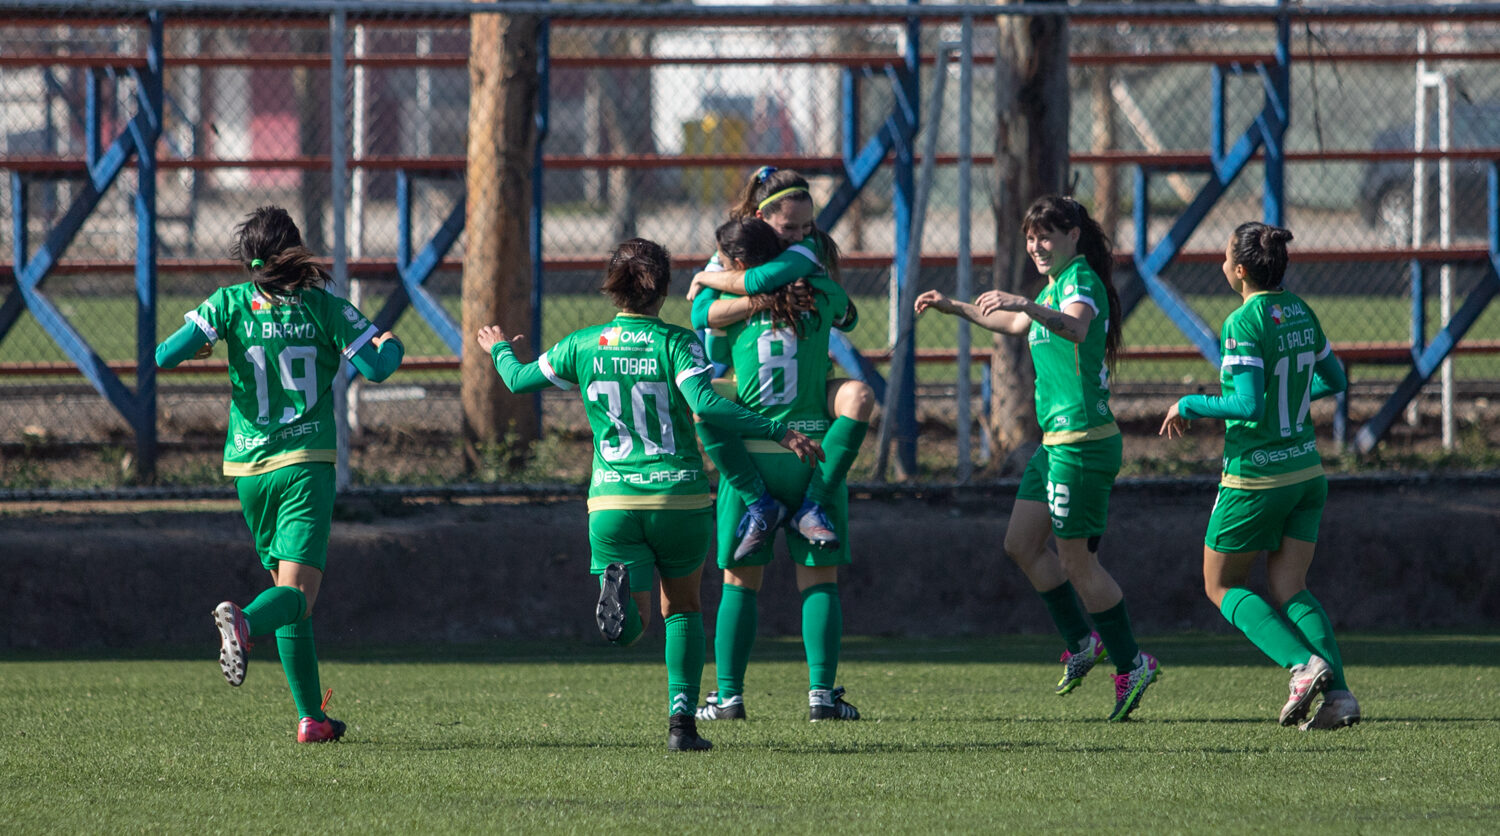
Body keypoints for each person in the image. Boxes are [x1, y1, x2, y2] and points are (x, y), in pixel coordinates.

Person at [476, 237, 822, 751]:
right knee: (682, 608)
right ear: (662, 289)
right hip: (677, 500)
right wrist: (780, 431)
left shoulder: (583, 343)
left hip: (612, 502)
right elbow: (705, 404)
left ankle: (618, 598)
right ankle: (682, 725)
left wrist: (499, 347)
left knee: (633, 629)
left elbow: (519, 380)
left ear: (612, 288)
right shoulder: (679, 343)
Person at [155, 205, 405, 743]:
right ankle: (242, 623)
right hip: (304, 466)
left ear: (250, 260)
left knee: (288, 593)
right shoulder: (322, 306)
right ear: (295, 248)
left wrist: (202, 344)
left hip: (249, 471)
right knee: (299, 596)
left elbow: (163, 354)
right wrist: (392, 344)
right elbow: (379, 369)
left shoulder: (230, 303)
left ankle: (311, 717)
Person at [914, 194, 1159, 722]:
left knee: (1076, 561)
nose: (1036, 245)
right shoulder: (1053, 287)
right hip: (1055, 446)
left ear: (1074, 234)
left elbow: (1073, 326)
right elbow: (1016, 326)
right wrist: (953, 306)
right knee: (1021, 544)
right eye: (1030, 237)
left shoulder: (1083, 283)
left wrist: (1024, 303)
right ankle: (1080, 642)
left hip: (1083, 444)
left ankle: (1131, 662)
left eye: (1046, 235)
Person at [1160, 222, 1357, 730]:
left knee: (1220, 584)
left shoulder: (1242, 322)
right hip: (1306, 471)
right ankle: (1338, 696)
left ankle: (1302, 666)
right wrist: (1289, 405)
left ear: (1241, 269)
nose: (1222, 264)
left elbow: (1245, 404)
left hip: (1256, 477)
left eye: (1226, 257)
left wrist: (1188, 402)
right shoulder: (1300, 311)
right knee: (1292, 584)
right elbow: (1335, 379)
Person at [690, 214, 866, 723]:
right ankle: (822, 697)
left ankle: (728, 698)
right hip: (812, 455)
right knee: (820, 580)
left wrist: (725, 295)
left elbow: (713, 339)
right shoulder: (821, 294)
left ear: (739, 265)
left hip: (751, 457)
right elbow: (849, 317)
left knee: (739, 583)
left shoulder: (728, 312)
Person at [688, 167, 875, 556]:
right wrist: (756, 300)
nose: (801, 234)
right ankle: (758, 501)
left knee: (859, 395)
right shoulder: (734, 245)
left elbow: (753, 284)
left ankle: (813, 502)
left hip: (808, 390)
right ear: (762, 217)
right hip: (751, 387)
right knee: (702, 403)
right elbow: (700, 316)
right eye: (790, 226)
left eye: (807, 224)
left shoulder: (811, 248)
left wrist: (709, 280)